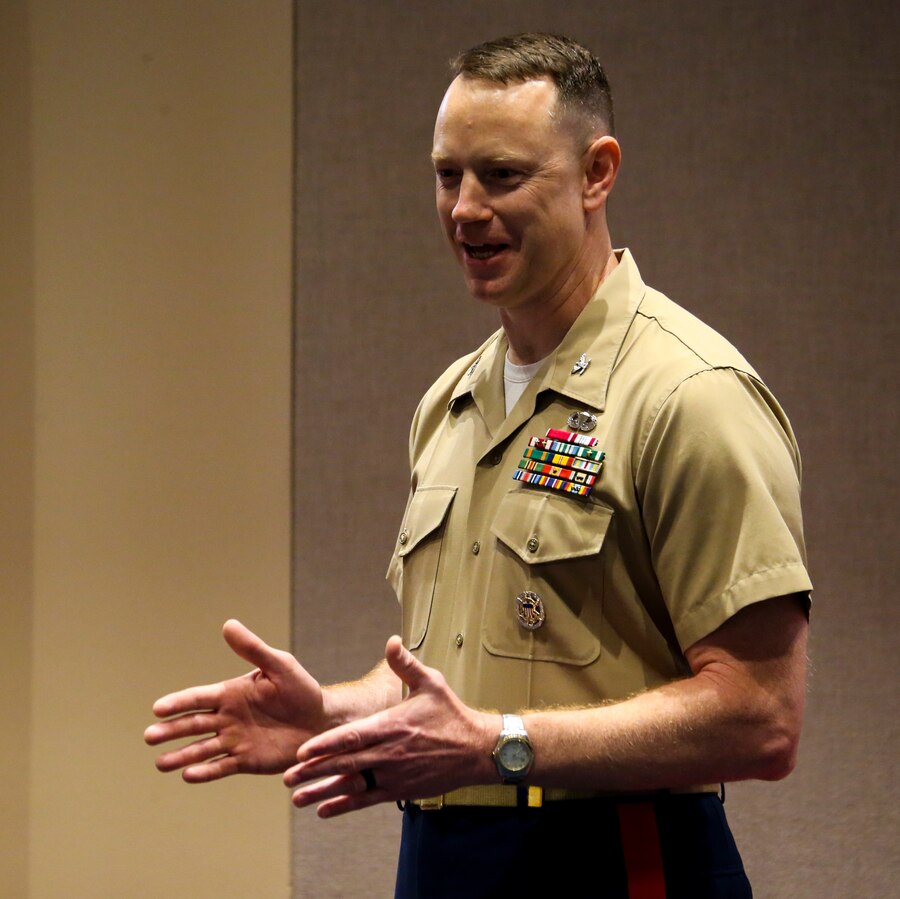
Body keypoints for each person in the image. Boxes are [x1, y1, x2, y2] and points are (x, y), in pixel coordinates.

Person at [145, 33, 811, 897]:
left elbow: (761, 716)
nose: (463, 208)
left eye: (500, 175)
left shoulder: (690, 394)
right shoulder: (449, 403)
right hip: (442, 862)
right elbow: (457, 676)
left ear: (596, 173)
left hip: (617, 859)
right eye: (446, 174)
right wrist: (331, 714)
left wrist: (502, 743)